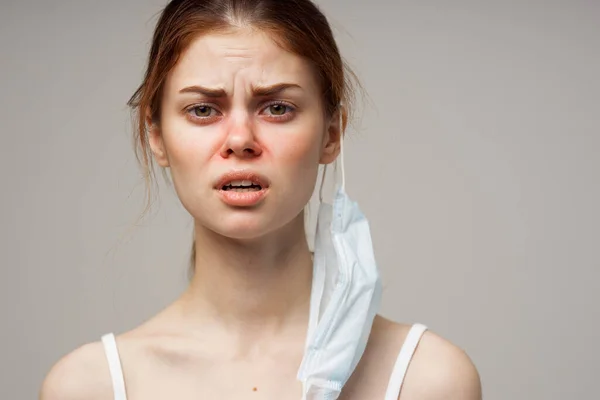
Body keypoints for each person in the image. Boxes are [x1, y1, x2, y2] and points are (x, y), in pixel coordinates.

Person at [40, 0, 482, 399]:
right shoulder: (88, 386)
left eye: (276, 108)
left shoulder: (428, 380)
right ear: (156, 137)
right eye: (203, 110)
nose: (240, 140)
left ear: (331, 134)